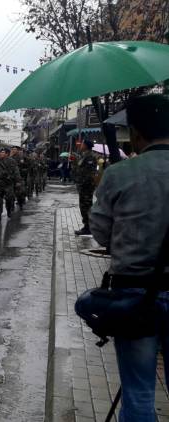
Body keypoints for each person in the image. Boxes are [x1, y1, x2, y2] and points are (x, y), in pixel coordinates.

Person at [89, 94, 169, 422]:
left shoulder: (120, 175)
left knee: (139, 393)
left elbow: (101, 233)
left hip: (136, 295)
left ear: (135, 134)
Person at [0, 148, 21, 221]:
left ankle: (8, 210)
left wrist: (18, 181)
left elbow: (16, 171)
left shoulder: (12, 161)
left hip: (8, 184)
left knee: (9, 199)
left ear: (7, 154)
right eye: (1, 152)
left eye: (3, 152)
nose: (1, 153)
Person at [73, 139, 98, 235]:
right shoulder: (84, 155)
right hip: (83, 185)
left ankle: (88, 227)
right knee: (83, 206)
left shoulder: (90, 156)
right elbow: (80, 169)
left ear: (86, 145)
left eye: (83, 144)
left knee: (86, 206)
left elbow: (89, 173)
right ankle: (87, 226)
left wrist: (83, 183)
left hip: (87, 186)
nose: (81, 145)